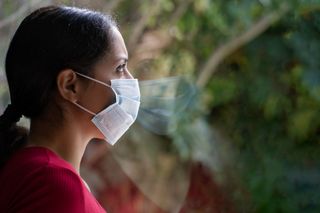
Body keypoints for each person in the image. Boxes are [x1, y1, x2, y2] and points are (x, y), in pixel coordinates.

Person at [0, 5, 140, 213]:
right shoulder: (55, 184)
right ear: (70, 85)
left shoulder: (35, 169)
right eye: (120, 68)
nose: (130, 80)